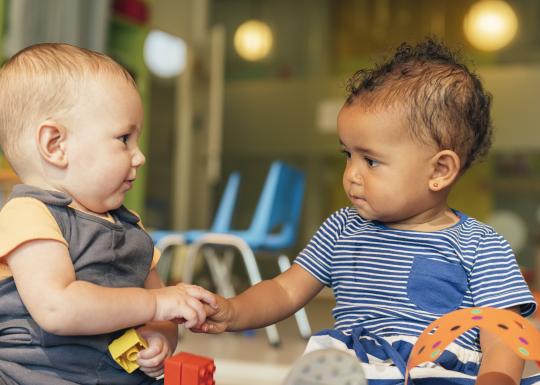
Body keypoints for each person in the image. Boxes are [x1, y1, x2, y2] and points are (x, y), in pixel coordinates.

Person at [199, 39, 539, 385]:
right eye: (348, 155)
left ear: (439, 171)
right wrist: (234, 310)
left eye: (371, 161)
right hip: (352, 372)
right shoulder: (342, 228)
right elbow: (285, 291)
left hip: (439, 374)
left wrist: (497, 379)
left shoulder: (481, 245)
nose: (352, 175)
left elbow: (502, 333)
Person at [0, 43, 216, 385]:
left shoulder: (131, 226)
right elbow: (58, 308)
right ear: (55, 145)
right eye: (124, 138)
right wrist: (156, 305)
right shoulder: (29, 215)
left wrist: (160, 337)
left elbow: (160, 313)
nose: (139, 156)